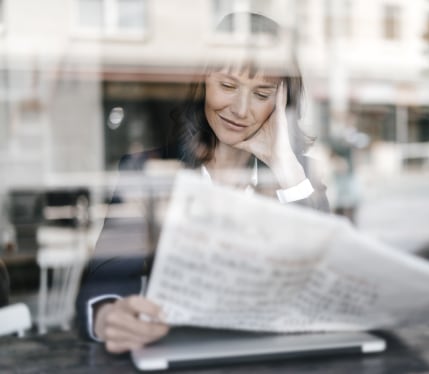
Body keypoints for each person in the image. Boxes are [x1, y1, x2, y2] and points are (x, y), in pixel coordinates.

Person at [76, 12, 329, 354]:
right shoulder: (148, 169)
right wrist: (107, 315)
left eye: (261, 93)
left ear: (282, 102)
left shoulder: (300, 179)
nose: (240, 109)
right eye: (227, 85)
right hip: (179, 351)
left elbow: (327, 281)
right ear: (201, 83)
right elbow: (107, 281)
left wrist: (286, 168)